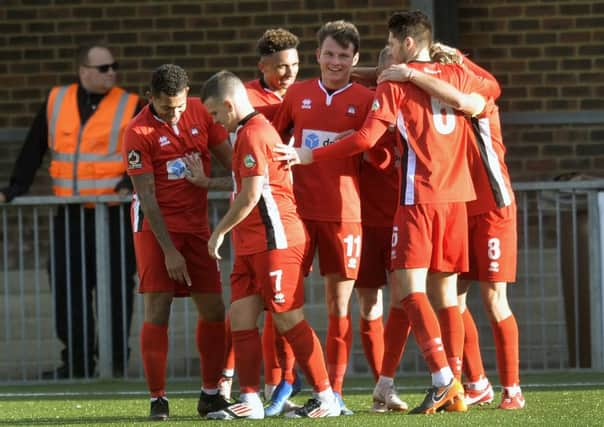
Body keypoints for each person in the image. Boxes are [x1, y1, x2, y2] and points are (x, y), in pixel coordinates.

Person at [275, 11, 490, 414]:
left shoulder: (392, 86)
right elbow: (484, 95)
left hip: (417, 198)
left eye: (390, 46)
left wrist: (309, 153)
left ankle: (445, 379)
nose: (387, 56)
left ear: (406, 44)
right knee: (446, 298)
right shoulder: (455, 74)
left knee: (408, 292)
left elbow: (367, 138)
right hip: (457, 199)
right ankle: (451, 383)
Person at [380, 44, 525, 410]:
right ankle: (472, 382)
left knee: (493, 299)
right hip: (457, 204)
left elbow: (485, 89)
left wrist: (454, 58)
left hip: (493, 206)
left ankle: (512, 390)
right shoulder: (431, 92)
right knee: (454, 300)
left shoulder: (472, 93)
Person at [199, 70, 340, 420]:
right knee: (243, 319)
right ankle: (251, 399)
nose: (215, 122)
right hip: (251, 243)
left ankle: (326, 397)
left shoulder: (253, 133)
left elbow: (251, 195)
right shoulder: (246, 132)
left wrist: (218, 232)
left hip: (275, 239)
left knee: (289, 319)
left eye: (216, 114)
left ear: (229, 104)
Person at [0, 43, 140, 379]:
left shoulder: (132, 104)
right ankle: (76, 362)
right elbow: (33, 148)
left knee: (116, 290)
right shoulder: (56, 101)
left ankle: (114, 359)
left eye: (114, 66)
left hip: (115, 215)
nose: (112, 73)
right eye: (104, 68)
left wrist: (129, 183)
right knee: (69, 289)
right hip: (71, 215)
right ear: (83, 71)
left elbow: (143, 152)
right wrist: (14, 188)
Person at [271, 20, 376, 415]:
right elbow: (272, 141)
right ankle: (282, 383)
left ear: (355, 60)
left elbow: (376, 153)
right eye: (329, 54)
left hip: (344, 214)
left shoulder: (366, 100)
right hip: (296, 212)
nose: (336, 62)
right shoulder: (298, 94)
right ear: (317, 55)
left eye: (344, 56)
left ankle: (335, 393)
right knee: (284, 300)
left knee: (339, 306)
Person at [123, 64, 232, 421]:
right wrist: (169, 250)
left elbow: (234, 167)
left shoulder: (200, 110)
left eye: (180, 106)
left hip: (197, 228)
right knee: (159, 308)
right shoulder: (137, 132)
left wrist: (209, 183)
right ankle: (158, 399)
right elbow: (147, 197)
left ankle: (211, 394)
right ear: (151, 97)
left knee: (215, 309)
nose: (175, 113)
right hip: (156, 230)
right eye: (167, 107)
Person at [219, 28, 302, 412]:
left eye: (295, 65)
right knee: (249, 306)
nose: (288, 74)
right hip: (260, 217)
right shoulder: (244, 102)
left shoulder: (305, 96)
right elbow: (235, 159)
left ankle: (319, 389)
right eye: (280, 67)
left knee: (288, 307)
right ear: (262, 66)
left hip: (292, 211)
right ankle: (242, 385)